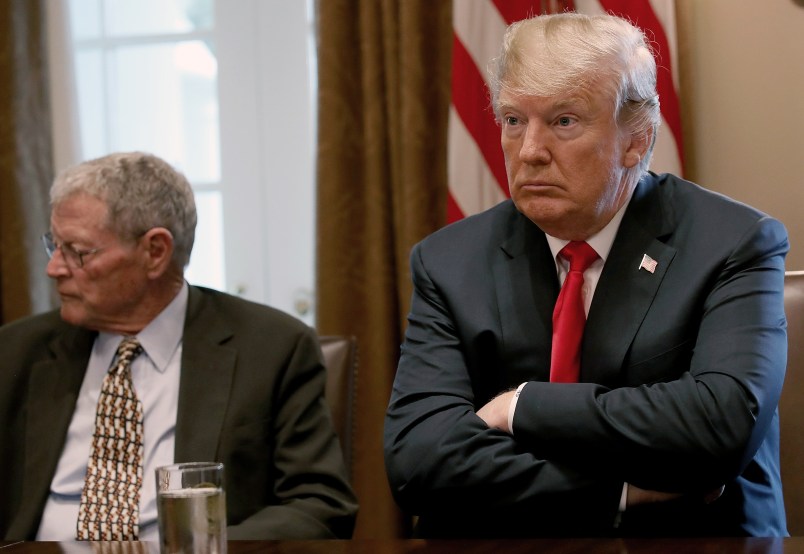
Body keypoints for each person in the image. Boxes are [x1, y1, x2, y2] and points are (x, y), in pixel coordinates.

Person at [384, 12, 788, 538]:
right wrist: (620, 493)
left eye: (563, 121)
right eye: (512, 120)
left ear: (636, 140)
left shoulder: (732, 242)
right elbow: (418, 460)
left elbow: (719, 424)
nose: (529, 151)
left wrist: (521, 406)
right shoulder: (448, 261)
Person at [0, 151, 358, 541]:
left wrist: (197, 549)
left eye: (78, 253)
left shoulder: (273, 349)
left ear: (155, 252)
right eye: (55, 245)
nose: (54, 268)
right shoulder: (17, 351)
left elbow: (319, 505)